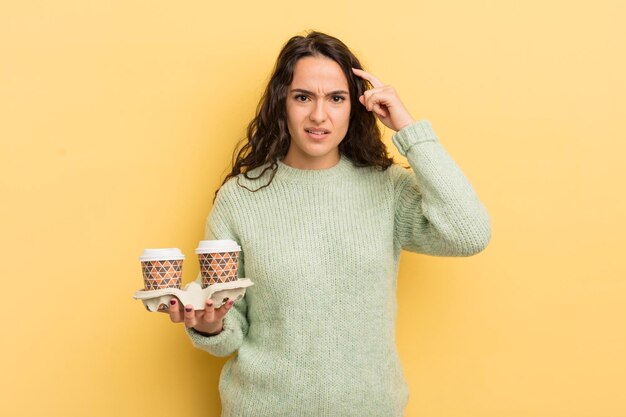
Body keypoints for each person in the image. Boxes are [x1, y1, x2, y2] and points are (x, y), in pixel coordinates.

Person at [168, 31, 491, 416]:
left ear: (355, 107)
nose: (319, 116)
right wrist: (209, 325)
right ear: (281, 104)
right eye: (303, 97)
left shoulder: (386, 190)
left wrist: (407, 128)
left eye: (336, 99)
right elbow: (228, 333)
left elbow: (469, 234)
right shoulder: (241, 198)